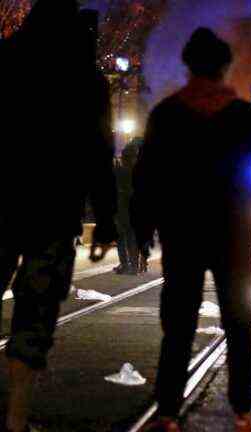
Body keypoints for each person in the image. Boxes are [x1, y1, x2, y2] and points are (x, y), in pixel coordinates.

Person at [131, 28, 251, 432]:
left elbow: (147, 176)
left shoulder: (167, 114)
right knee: (239, 321)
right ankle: (242, 411)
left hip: (181, 231)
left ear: (188, 65)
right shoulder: (244, 115)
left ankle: (168, 412)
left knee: (179, 323)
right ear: (226, 67)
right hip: (234, 232)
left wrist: (142, 226)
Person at [0, 2, 117, 431]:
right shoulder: (86, 80)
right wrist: (106, 219)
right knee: (35, 315)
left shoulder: (6, 62)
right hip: (53, 213)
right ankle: (16, 418)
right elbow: (99, 156)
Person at [114, 138, 142, 275]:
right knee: (132, 238)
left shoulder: (119, 171)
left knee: (120, 238)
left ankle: (125, 264)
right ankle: (135, 266)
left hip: (121, 209)